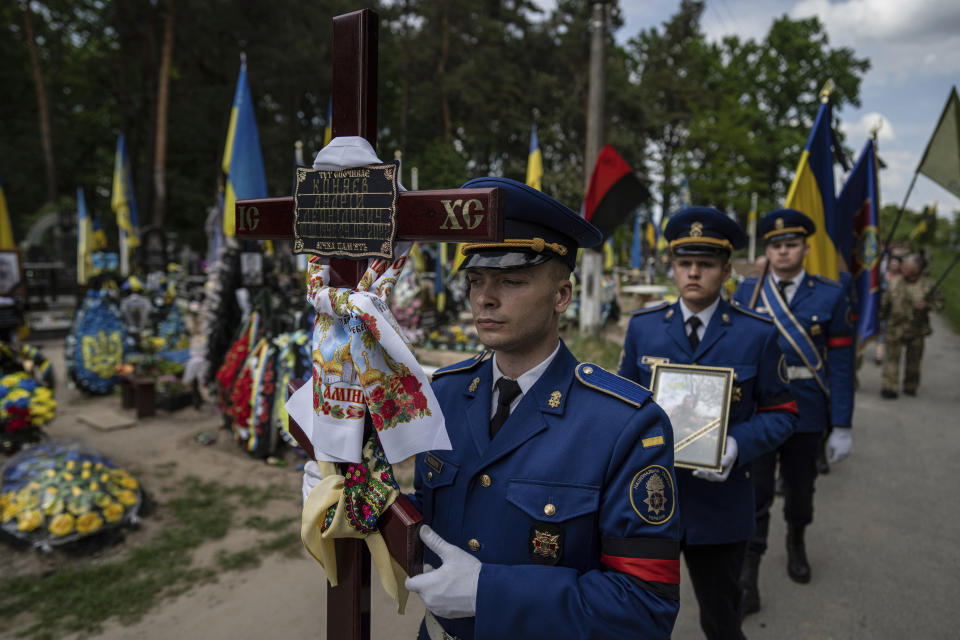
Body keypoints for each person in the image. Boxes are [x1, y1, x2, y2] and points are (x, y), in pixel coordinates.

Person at [405, 177, 681, 640]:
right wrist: (360, 497)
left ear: (561, 296)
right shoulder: (445, 393)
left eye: (511, 280)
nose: (485, 298)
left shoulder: (623, 423)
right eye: (476, 280)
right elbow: (433, 517)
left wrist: (489, 592)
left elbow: (646, 602)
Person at [619, 206, 797, 640]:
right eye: (685, 263)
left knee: (721, 618)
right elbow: (622, 406)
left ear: (726, 269)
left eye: (706, 264)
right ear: (674, 267)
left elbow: (784, 413)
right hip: (649, 503)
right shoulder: (644, 328)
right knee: (636, 618)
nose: (694, 273)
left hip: (721, 509)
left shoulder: (757, 333)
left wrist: (735, 445)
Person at [732, 209, 855, 614]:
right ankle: (750, 573)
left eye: (790, 244)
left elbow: (840, 363)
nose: (783, 251)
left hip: (807, 412)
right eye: (775, 245)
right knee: (756, 493)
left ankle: (796, 539)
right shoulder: (747, 292)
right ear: (767, 250)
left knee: (800, 489)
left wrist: (841, 425)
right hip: (759, 411)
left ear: (805, 248)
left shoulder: (830, 294)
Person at [879, 253, 945, 398]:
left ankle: (911, 385)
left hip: (917, 329)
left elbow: (940, 304)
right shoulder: (895, 283)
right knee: (891, 359)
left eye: (906, 267)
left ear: (917, 270)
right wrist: (878, 320)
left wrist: (927, 305)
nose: (902, 268)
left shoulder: (928, 285)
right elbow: (884, 304)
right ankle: (889, 387)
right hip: (895, 327)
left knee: (914, 360)